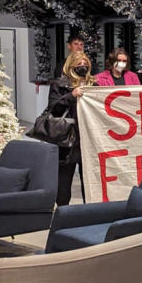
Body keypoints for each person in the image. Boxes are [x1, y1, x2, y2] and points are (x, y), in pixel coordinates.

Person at [47, 51, 97, 206]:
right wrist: (71, 96)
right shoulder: (59, 84)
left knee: (90, 179)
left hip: (89, 138)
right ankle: (63, 211)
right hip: (67, 138)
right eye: (78, 64)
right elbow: (53, 108)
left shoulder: (94, 85)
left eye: (85, 64)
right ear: (70, 65)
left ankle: (88, 211)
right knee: (64, 179)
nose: (82, 66)